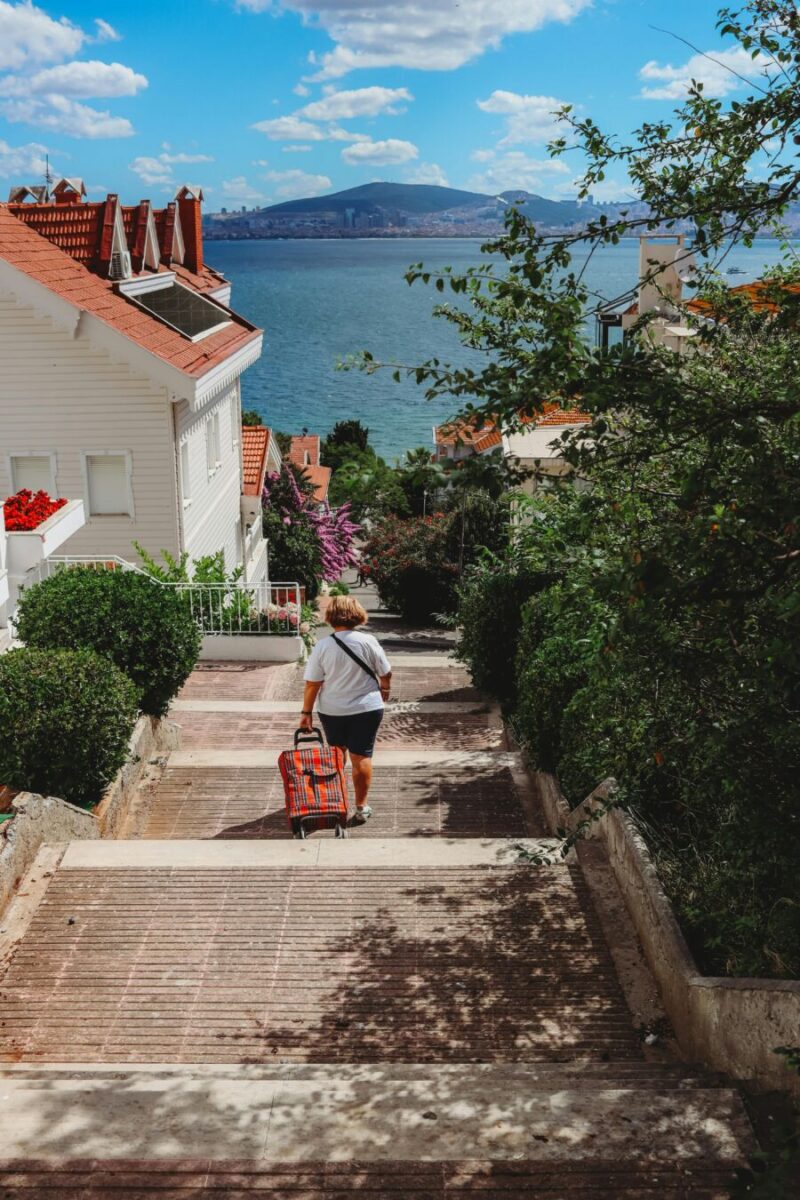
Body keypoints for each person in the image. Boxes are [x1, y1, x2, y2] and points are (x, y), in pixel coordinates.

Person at [299, 595, 391, 822]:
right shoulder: (369, 641)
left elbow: (313, 683)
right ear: (357, 614)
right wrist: (385, 690)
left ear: (331, 616)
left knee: (337, 755)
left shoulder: (323, 646)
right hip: (367, 708)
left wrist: (306, 713)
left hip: (332, 710)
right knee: (361, 756)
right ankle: (361, 807)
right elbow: (385, 672)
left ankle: (337, 802)